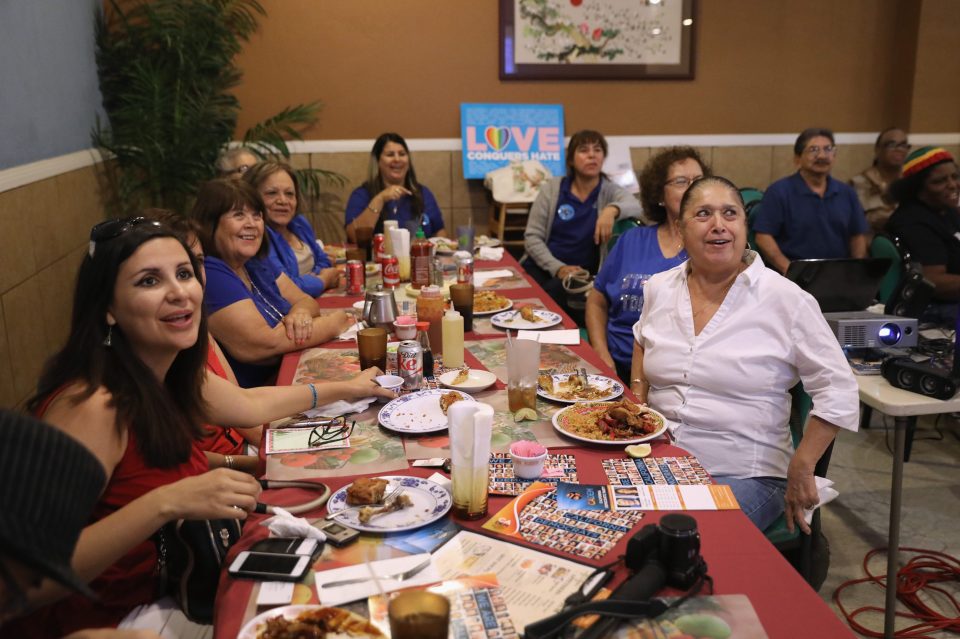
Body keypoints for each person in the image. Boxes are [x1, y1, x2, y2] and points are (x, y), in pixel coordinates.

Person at [7, 218, 393, 637]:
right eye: (149, 280)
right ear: (108, 308)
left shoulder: (161, 369)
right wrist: (166, 502)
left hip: (181, 583)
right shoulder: (95, 405)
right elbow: (31, 580)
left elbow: (247, 404)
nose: (179, 291)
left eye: (185, 273)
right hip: (112, 620)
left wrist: (348, 388)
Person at [631, 176, 859, 532]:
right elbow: (642, 338)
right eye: (703, 214)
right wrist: (638, 399)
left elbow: (839, 389)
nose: (719, 226)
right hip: (656, 457)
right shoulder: (660, 288)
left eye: (730, 214)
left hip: (744, 473)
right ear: (680, 228)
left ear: (744, 225)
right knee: (594, 514)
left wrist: (803, 463)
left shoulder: (786, 300)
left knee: (681, 538)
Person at [191, 179, 353, 387]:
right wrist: (335, 323)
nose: (251, 223)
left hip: (287, 374)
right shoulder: (211, 273)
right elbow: (262, 344)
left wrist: (299, 314)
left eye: (256, 215)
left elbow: (306, 301)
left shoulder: (256, 260)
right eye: (239, 215)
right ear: (211, 223)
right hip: (256, 398)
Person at [141, 209, 261, 473]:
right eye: (151, 280)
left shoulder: (191, 326)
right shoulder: (102, 397)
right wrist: (262, 461)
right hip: (224, 475)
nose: (180, 290)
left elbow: (241, 402)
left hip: (239, 458)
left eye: (194, 264)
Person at [587, 147, 707, 383]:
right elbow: (596, 299)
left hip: (675, 379)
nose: (693, 188)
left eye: (699, 180)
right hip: (615, 368)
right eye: (681, 181)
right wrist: (601, 354)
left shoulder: (712, 249)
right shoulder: (631, 240)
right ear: (660, 195)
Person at [521, 130, 642, 319]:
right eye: (584, 150)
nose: (592, 155)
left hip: (581, 275)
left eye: (597, 150)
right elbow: (532, 237)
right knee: (521, 299)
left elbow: (637, 206)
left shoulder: (609, 191)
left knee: (554, 298)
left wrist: (611, 210)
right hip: (544, 266)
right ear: (571, 160)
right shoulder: (552, 189)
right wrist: (557, 268)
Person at [753, 127, 868, 274]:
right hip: (794, 275)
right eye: (813, 150)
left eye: (828, 149)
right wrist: (790, 272)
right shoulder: (779, 191)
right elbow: (763, 238)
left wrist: (856, 272)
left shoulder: (847, 193)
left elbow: (857, 236)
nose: (822, 155)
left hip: (839, 275)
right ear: (797, 159)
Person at [243, 161, 341, 297]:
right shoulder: (258, 237)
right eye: (272, 193)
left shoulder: (299, 223)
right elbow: (287, 287)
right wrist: (322, 280)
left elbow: (324, 260)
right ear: (252, 197)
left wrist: (310, 279)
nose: (283, 201)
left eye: (289, 194)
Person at [886, 147, 960, 321]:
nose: (952, 184)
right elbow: (932, 281)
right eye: (939, 181)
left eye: (955, 176)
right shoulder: (912, 221)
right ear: (917, 188)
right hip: (933, 309)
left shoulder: (947, 211)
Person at [344, 132, 446, 241]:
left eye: (402, 154)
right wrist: (380, 199)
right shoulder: (362, 195)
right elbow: (354, 236)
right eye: (390, 154)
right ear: (378, 161)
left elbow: (439, 231)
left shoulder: (423, 193)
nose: (397, 159)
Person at [849, 128, 910, 236]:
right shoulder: (857, 184)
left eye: (903, 145)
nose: (899, 149)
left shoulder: (912, 183)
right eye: (891, 145)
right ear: (877, 150)